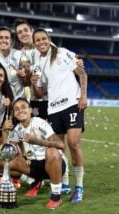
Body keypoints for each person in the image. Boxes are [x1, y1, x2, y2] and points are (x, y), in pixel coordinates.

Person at [31, 28, 88, 203]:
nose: (41, 42)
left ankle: (79, 187)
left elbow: (82, 73)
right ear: (34, 44)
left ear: (49, 39)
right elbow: (40, 94)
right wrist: (34, 84)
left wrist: (84, 96)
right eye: (38, 40)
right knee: (58, 147)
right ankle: (65, 183)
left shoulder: (62, 53)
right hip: (53, 109)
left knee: (73, 143)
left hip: (72, 103)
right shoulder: (38, 64)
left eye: (44, 39)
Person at [0, 98, 67, 209]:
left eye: (23, 107)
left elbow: (60, 145)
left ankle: (56, 196)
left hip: (52, 164)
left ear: (30, 110)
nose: (20, 110)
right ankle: (33, 181)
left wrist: (38, 141)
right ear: (14, 114)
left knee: (52, 151)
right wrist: (4, 131)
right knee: (2, 164)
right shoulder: (18, 129)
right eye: (16, 109)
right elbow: (6, 152)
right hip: (34, 165)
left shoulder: (40, 123)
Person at [14, 18, 48, 120]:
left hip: (54, 96)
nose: (23, 34)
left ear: (31, 31)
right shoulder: (19, 56)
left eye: (25, 30)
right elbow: (26, 83)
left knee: (57, 133)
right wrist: (26, 74)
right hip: (36, 100)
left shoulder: (45, 45)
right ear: (18, 37)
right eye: (20, 32)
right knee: (38, 133)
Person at [0, 26, 29, 101]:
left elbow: (27, 82)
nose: (4, 40)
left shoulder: (19, 55)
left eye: (6, 38)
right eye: (1, 38)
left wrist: (23, 76)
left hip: (18, 97)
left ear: (11, 41)